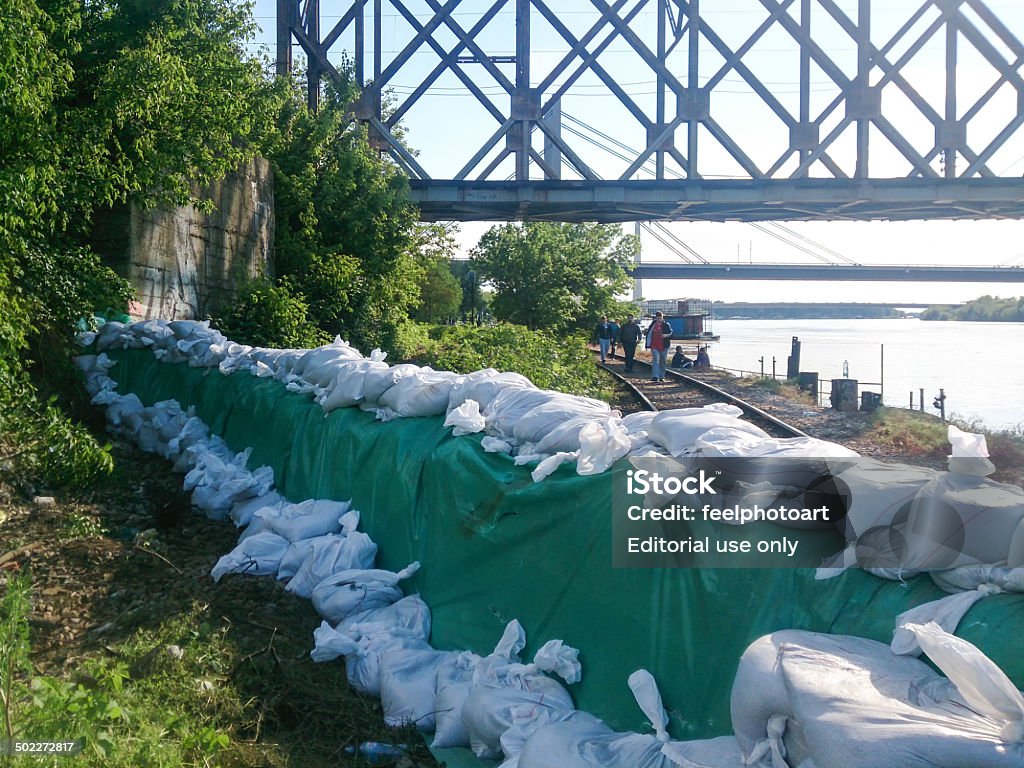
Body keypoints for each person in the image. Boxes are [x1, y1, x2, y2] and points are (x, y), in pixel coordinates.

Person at [644, 312, 673, 382]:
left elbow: (671, 333)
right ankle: (655, 376)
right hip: (654, 345)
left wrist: (666, 335)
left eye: (660, 318)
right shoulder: (653, 324)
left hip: (664, 346)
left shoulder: (666, 325)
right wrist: (647, 344)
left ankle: (662, 376)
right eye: (658, 318)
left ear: (662, 317)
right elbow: (649, 333)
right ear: (656, 318)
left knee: (663, 361)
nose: (659, 320)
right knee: (655, 360)